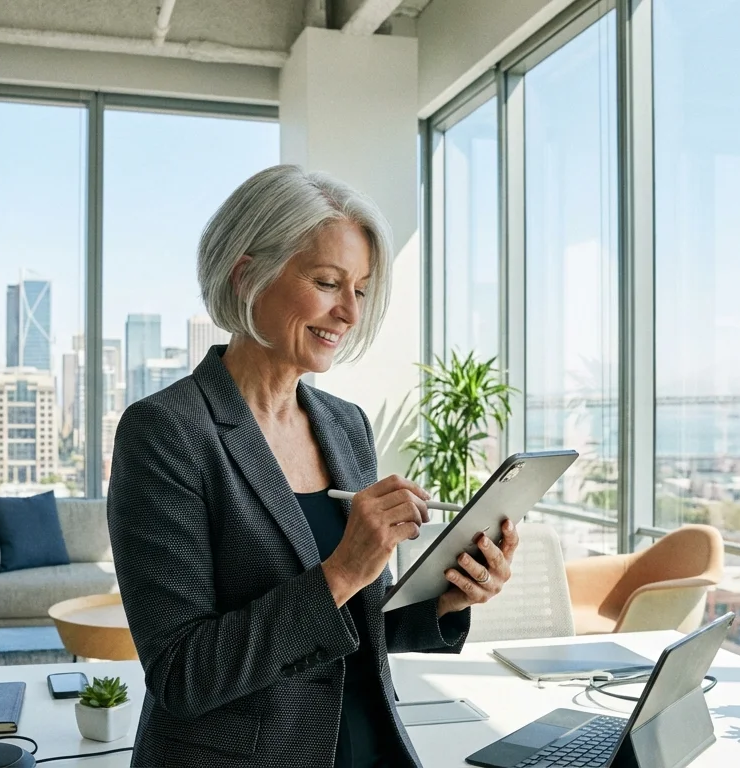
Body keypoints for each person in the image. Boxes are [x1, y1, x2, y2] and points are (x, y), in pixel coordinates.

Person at [107, 164, 520, 768]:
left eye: (360, 288)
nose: (349, 313)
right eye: (328, 282)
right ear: (247, 274)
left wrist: (446, 601)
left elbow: (358, 621)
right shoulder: (166, 434)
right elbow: (182, 674)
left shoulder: (345, 424)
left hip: (370, 747)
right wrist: (344, 569)